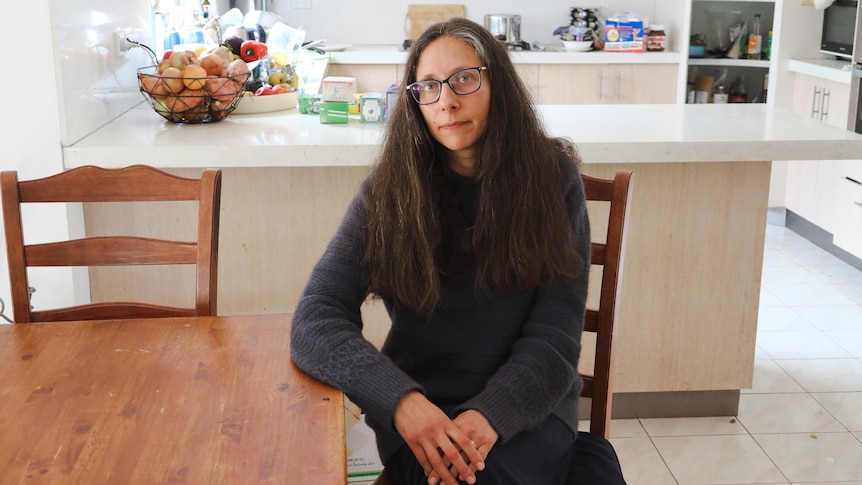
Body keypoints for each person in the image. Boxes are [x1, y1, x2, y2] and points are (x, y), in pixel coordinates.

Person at [291, 17, 624, 485]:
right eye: (427, 87)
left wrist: (488, 417)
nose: (446, 100)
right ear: (415, 103)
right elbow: (315, 319)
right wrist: (400, 402)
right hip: (421, 415)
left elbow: (555, 340)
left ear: (498, 83)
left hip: (528, 408)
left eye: (464, 79)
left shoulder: (552, 180)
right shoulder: (389, 192)